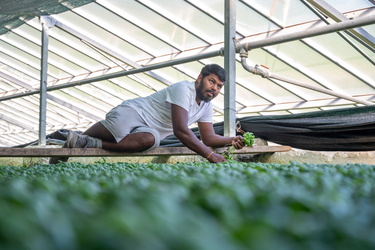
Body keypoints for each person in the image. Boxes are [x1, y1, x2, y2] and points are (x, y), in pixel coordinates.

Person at [50, 64, 244, 164]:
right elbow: (181, 131)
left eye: (219, 86)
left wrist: (230, 140)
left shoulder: (206, 105)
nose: (215, 89)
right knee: (117, 129)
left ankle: (84, 142)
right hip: (135, 112)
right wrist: (209, 155)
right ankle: (77, 142)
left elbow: (208, 137)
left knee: (150, 141)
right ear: (200, 78)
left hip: (147, 129)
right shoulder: (184, 89)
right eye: (212, 82)